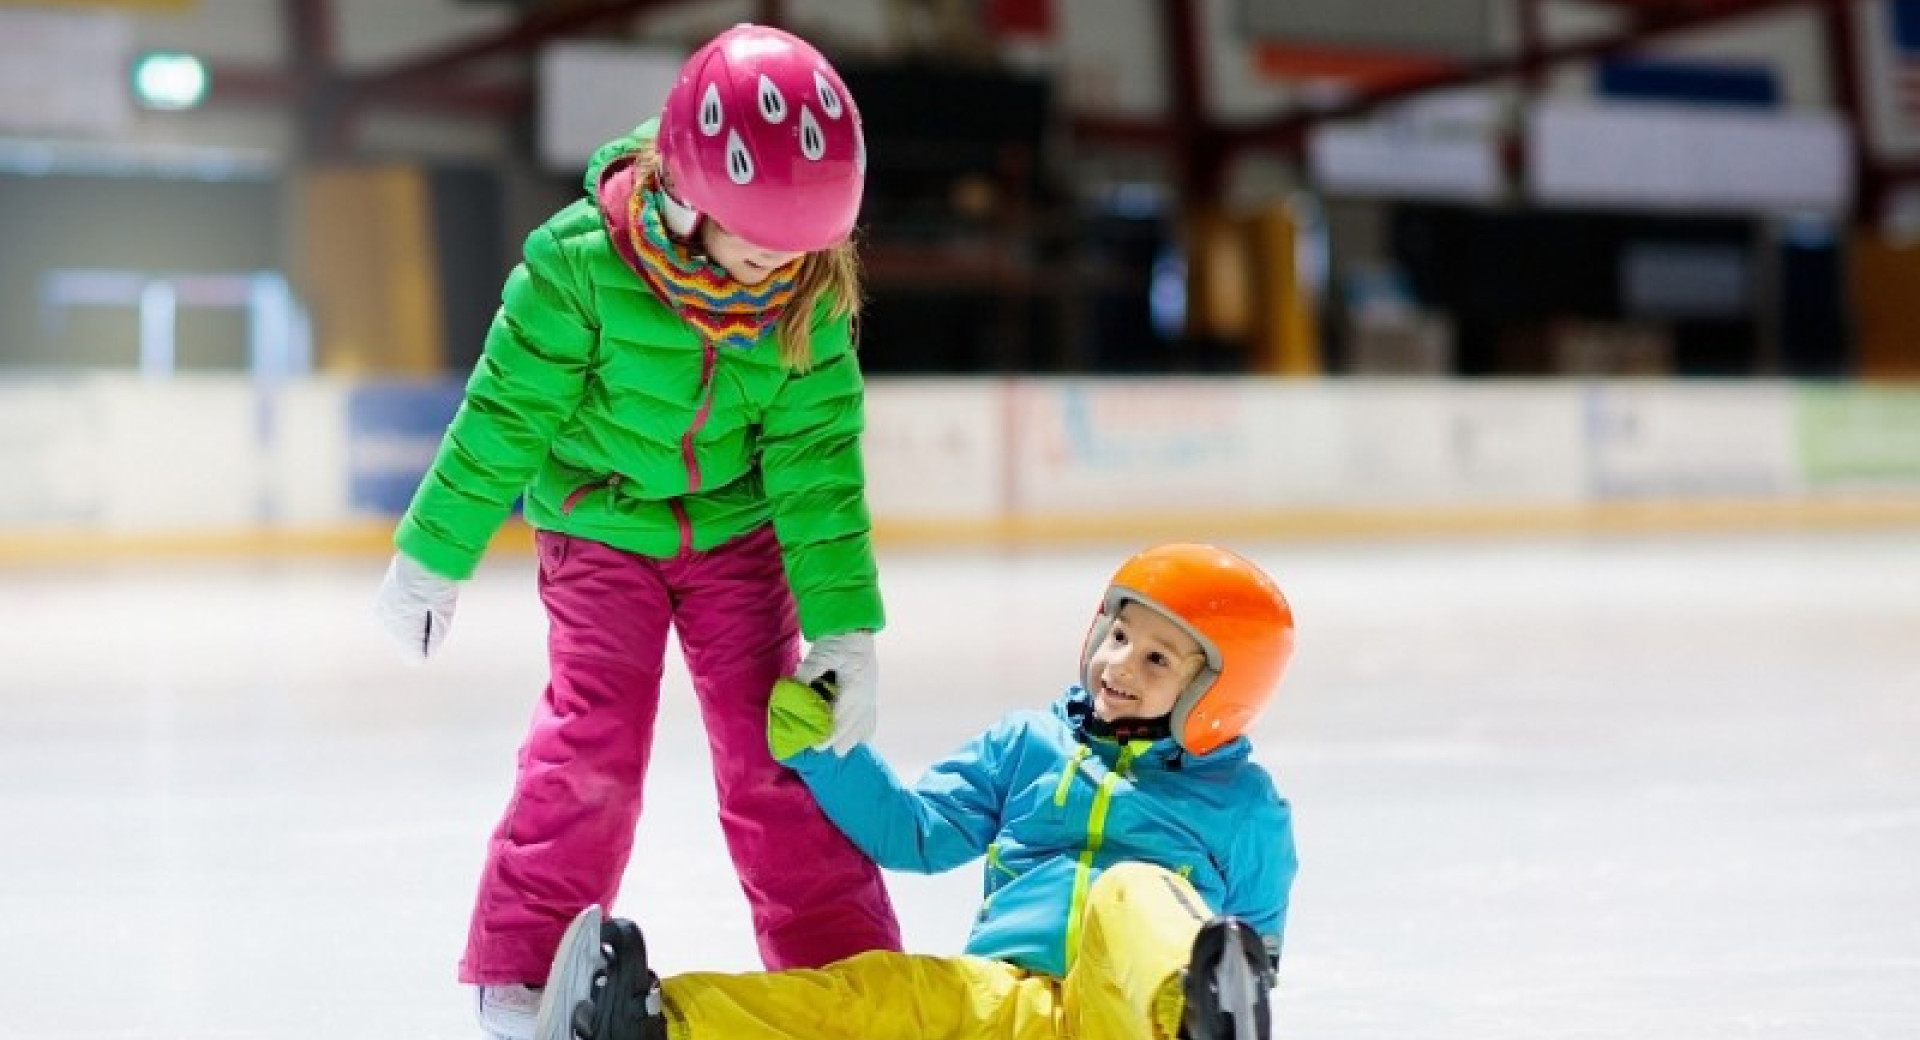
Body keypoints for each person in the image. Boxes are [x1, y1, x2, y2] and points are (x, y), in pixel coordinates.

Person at [370, 23, 901, 1040]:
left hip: (737, 538)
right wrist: (430, 556)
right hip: (600, 529)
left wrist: (842, 629)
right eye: (758, 249)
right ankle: (524, 969)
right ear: (693, 193)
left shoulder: (807, 295)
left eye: (802, 254)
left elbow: (817, 464)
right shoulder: (576, 269)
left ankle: (847, 972)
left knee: (781, 751)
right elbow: (503, 418)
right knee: (594, 741)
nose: (774, 274)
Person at [529, 542, 1300, 1040]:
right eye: (1121, 636)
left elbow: (1253, 952)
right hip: (1002, 1000)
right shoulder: (1028, 746)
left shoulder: (1245, 807)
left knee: (1133, 892)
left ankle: (1196, 1021)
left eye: (1159, 661)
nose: (1121, 666)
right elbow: (918, 832)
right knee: (873, 992)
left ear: (1219, 692)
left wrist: (1206, 992)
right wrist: (827, 755)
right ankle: (655, 1022)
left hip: (1132, 1018)